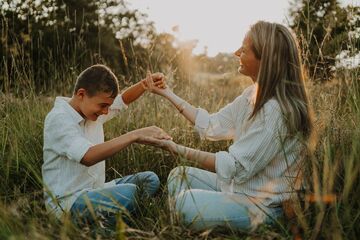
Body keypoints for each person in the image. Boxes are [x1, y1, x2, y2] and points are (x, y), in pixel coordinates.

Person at [143, 21, 315, 231]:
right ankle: (204, 218)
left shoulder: (276, 111)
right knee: (179, 175)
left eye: (243, 50)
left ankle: (200, 217)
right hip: (239, 189)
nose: (236, 53)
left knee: (184, 203)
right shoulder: (250, 96)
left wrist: (174, 148)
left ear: (266, 58)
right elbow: (211, 125)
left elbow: (235, 167)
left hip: (263, 206)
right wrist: (166, 93)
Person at [42, 64, 171, 227]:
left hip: (96, 190)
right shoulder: (59, 119)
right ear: (81, 94)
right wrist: (135, 135)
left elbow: (123, 99)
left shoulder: (91, 110)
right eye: (103, 106)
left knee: (150, 180)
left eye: (108, 107)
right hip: (68, 204)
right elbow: (87, 156)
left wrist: (144, 84)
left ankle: (104, 222)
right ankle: (100, 228)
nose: (105, 112)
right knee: (130, 193)